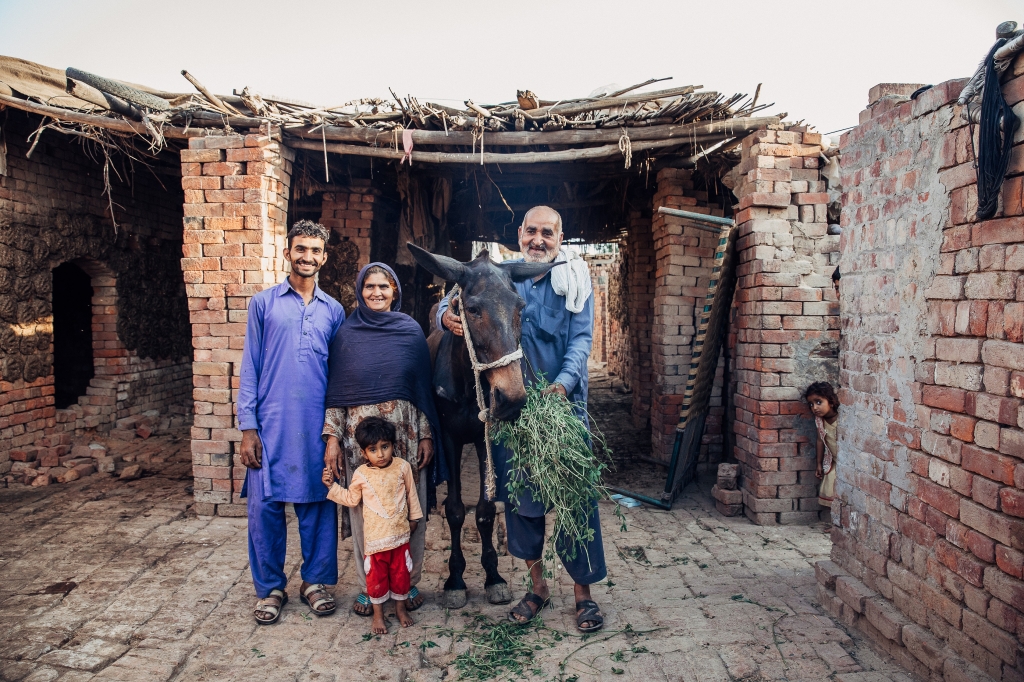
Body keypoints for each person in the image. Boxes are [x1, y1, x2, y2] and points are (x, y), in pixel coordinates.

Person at [436, 205, 606, 633]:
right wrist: (443, 315)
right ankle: (537, 587)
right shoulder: (502, 275)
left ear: (560, 238)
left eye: (548, 233)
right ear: (519, 233)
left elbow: (582, 341)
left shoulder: (576, 281)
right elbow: (458, 294)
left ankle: (582, 595)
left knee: (574, 501)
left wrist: (563, 384)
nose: (538, 240)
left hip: (561, 410)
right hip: (513, 411)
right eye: (531, 231)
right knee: (521, 502)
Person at [322, 262, 445, 617]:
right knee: (367, 512)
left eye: (384, 286)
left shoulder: (409, 331)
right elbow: (336, 395)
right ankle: (369, 586)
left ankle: (409, 580)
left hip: (404, 441)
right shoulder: (346, 335)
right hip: (358, 445)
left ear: (395, 291)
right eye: (369, 286)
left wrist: (425, 436)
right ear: (360, 291)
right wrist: (332, 440)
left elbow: (422, 391)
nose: (376, 292)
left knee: (408, 508)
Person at [238, 220, 346, 625]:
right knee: (265, 508)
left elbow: (339, 375)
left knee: (317, 504)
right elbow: (250, 367)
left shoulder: (334, 310)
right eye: (301, 249)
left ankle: (315, 582)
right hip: (270, 424)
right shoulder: (263, 304)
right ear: (287, 253)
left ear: (324, 257)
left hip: (315, 426)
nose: (308, 257)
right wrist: (248, 426)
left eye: (316, 251)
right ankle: (270, 588)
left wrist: (334, 433)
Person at [323, 417, 424, 635]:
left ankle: (400, 610)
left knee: (401, 576)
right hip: (375, 542)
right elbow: (351, 499)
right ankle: (378, 616)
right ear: (363, 453)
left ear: (393, 446)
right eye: (373, 449)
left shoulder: (402, 467)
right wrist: (332, 486)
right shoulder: (361, 475)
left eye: (385, 447)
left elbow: (411, 495)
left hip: (400, 538)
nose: (380, 454)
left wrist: (414, 519)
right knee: (376, 580)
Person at [806, 381, 840, 511]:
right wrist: (819, 464)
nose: (814, 407)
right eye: (811, 404)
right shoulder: (820, 421)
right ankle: (835, 522)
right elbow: (820, 441)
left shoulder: (841, 418)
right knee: (831, 488)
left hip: (847, 463)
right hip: (834, 461)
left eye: (818, 402)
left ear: (831, 402)